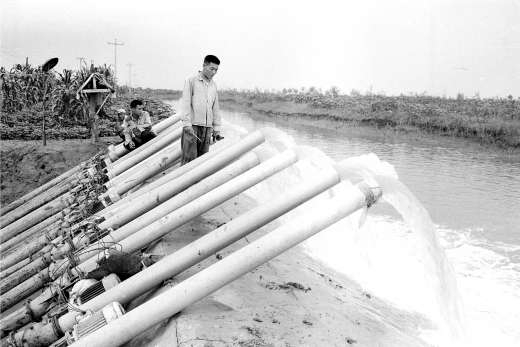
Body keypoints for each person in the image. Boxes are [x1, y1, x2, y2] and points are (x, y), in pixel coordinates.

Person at [180, 54, 224, 165]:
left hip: (207, 128)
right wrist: (186, 124)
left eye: (216, 70)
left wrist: (216, 128)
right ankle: (185, 182)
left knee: (202, 161)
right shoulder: (191, 80)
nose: (214, 72)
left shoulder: (213, 85)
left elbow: (215, 108)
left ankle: (197, 182)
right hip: (193, 126)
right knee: (189, 160)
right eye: (211, 69)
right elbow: (185, 103)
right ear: (204, 65)